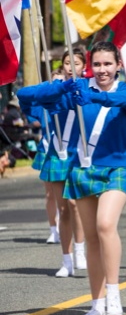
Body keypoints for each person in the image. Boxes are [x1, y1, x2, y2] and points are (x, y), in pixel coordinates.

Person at [33, 42, 126, 315]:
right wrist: (58, 89)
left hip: (118, 168)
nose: (102, 70)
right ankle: (97, 304)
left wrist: (93, 98)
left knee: (105, 225)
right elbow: (29, 96)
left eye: (108, 64)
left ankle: (115, 293)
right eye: (97, 64)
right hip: (84, 169)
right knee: (92, 238)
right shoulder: (80, 88)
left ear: (118, 65)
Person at [17, 50, 87, 277]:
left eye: (75, 63)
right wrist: (54, 88)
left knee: (76, 205)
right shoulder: (54, 91)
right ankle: (66, 261)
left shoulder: (87, 88)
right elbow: (24, 97)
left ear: (83, 66)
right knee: (64, 208)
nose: (70, 67)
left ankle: (80, 250)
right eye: (67, 63)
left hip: (79, 155)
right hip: (57, 156)